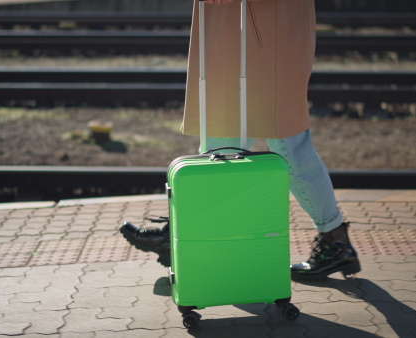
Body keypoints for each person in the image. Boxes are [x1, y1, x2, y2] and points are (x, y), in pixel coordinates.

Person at [120, 0, 360, 281]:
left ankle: (334, 238)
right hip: (238, 24)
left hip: (263, 26)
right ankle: (188, 235)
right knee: (221, 137)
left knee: (286, 140)